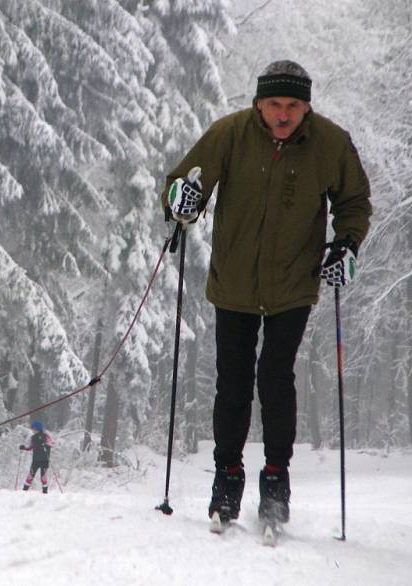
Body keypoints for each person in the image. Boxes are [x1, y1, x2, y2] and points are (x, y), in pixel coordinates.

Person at [161, 60, 371, 526]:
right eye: (274, 104)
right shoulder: (230, 134)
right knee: (232, 382)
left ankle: (276, 483)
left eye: (293, 105)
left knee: (275, 380)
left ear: (306, 107)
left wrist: (346, 244)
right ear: (258, 103)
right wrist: (183, 200)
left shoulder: (330, 143)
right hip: (234, 282)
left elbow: (354, 202)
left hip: (294, 284)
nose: (283, 113)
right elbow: (183, 181)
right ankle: (227, 480)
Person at [19, 421, 54, 493]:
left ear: (37, 428)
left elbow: (50, 444)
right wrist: (24, 448)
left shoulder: (46, 436)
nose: (32, 430)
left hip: (44, 460)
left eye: (33, 429)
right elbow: (30, 447)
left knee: (43, 476)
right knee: (31, 474)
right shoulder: (33, 438)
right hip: (35, 460)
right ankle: (24, 490)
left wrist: (45, 445)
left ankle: (45, 492)